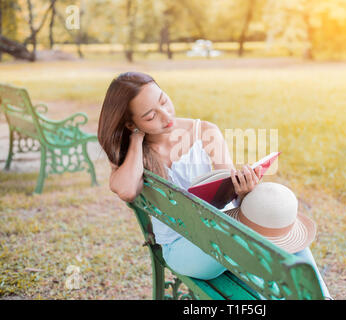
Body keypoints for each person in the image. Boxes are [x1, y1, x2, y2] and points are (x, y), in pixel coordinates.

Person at [97, 71, 332, 299]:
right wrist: (137, 138)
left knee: (275, 220)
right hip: (185, 250)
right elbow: (126, 190)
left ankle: (322, 297)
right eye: (150, 116)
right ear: (131, 124)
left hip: (224, 232)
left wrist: (243, 190)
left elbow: (230, 194)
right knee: (257, 243)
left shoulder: (204, 132)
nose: (167, 116)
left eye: (164, 101)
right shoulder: (133, 154)